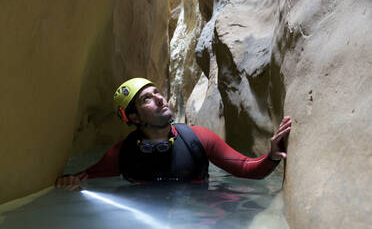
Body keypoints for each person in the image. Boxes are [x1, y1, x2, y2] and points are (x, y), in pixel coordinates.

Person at [55, 78, 291, 190]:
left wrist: (271, 156)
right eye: (147, 98)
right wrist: (70, 182)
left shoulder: (197, 139)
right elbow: (80, 178)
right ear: (133, 117)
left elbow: (248, 170)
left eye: (157, 92)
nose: (159, 98)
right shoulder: (121, 153)